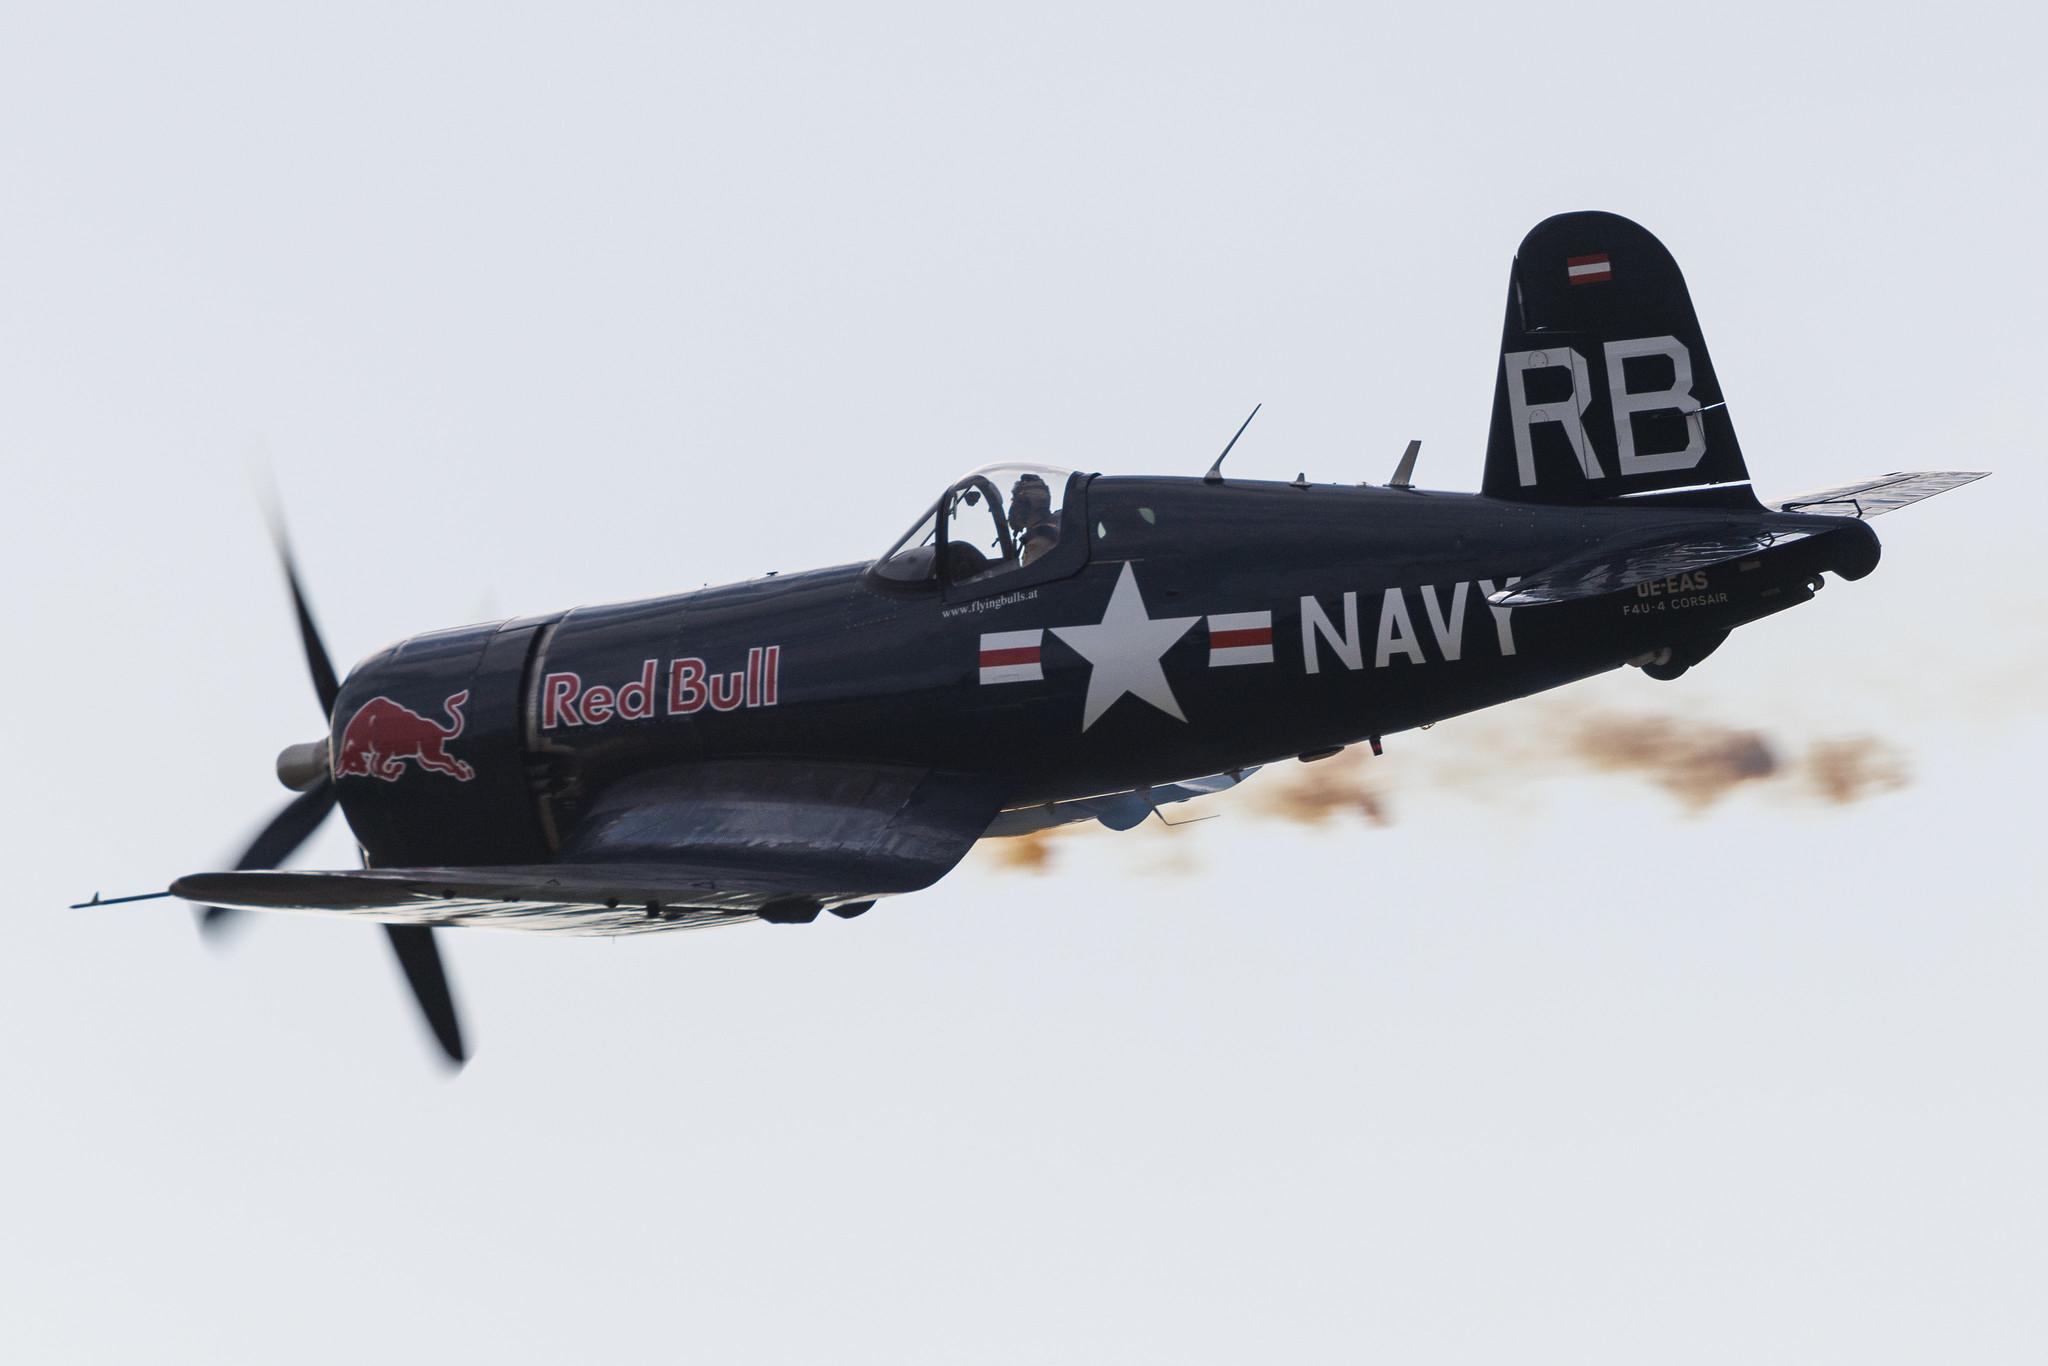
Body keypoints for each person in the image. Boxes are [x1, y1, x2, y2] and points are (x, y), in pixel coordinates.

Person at [1009, 473, 1060, 566]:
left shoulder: (1038, 542)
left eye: (1015, 500)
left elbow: (1027, 578)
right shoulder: (1057, 529)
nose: (1013, 507)